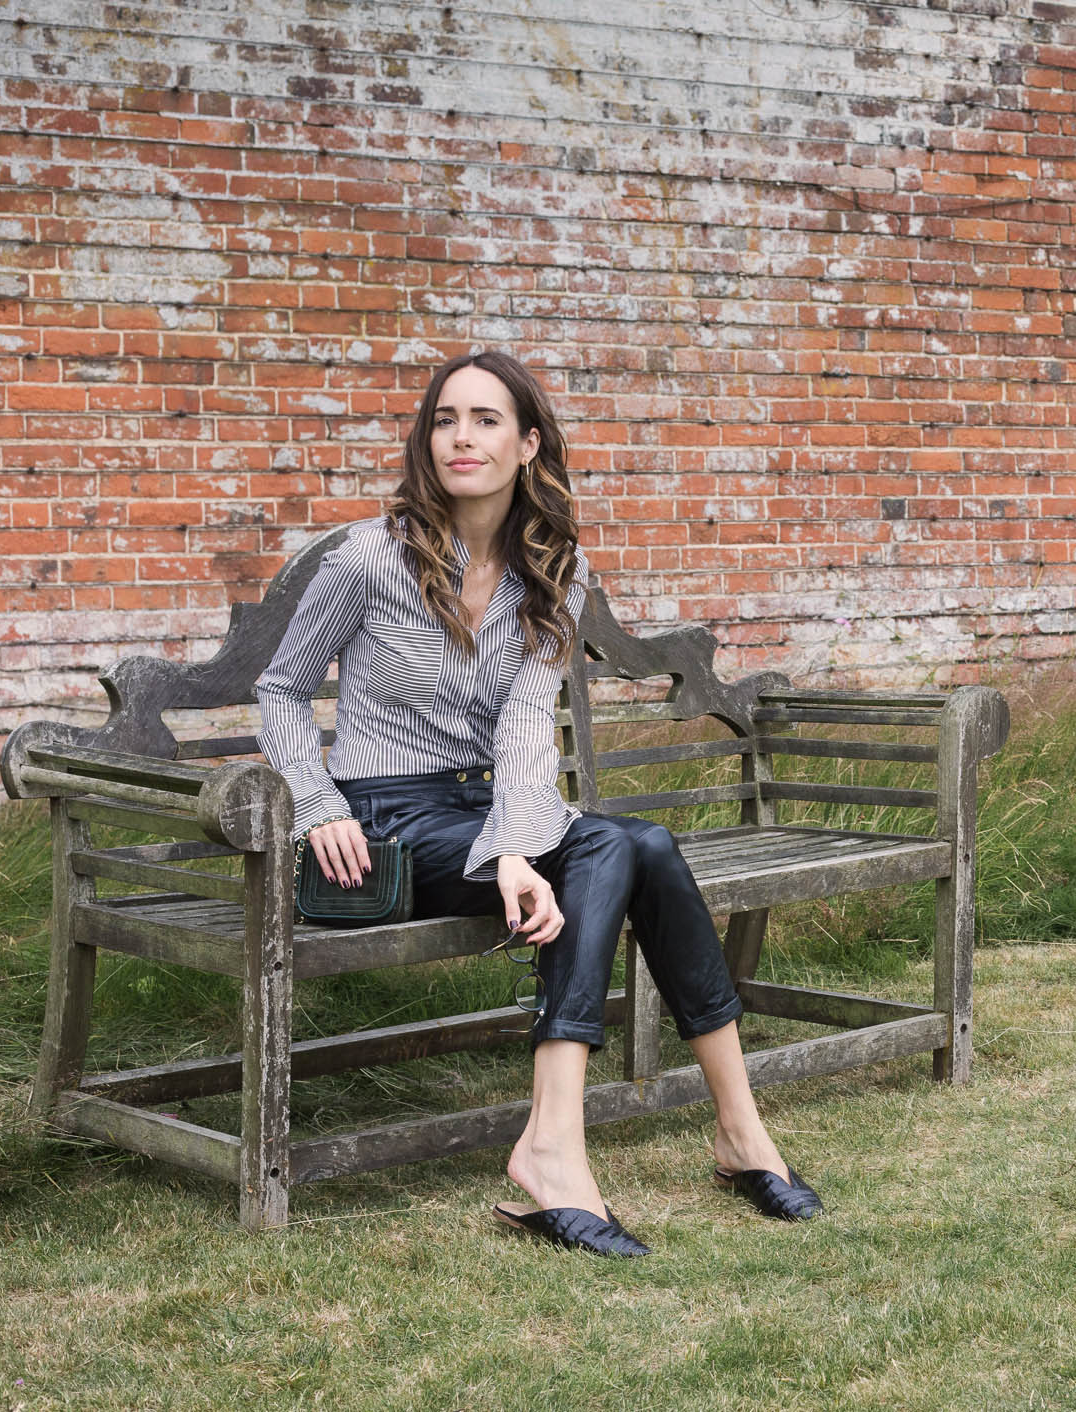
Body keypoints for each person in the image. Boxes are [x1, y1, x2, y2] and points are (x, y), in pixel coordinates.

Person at [254, 350, 821, 1257]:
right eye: (445, 419)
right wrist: (317, 803)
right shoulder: (369, 557)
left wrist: (515, 846)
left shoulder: (552, 569)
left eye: (485, 420)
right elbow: (280, 689)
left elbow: (525, 727)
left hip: (477, 814)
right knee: (616, 848)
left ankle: (728, 1131)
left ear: (527, 445)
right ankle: (590, 1147)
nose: (461, 438)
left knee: (643, 844)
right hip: (380, 827)